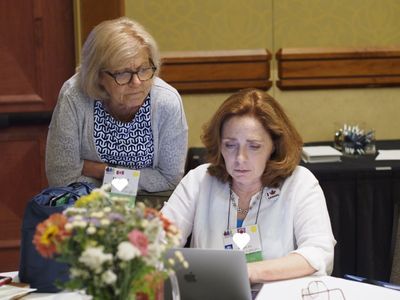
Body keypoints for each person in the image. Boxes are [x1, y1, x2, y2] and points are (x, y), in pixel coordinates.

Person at [161, 88, 336, 283]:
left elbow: (319, 253)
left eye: (254, 146)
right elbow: (157, 241)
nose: (240, 159)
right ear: (219, 144)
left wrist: (248, 272)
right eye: (230, 145)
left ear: (274, 146)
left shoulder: (300, 183)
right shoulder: (199, 180)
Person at [46, 17, 188, 192]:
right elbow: (61, 177)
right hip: (86, 209)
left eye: (144, 69)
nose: (137, 82)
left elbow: (169, 179)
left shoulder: (166, 101)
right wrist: (135, 180)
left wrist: (100, 170)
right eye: (122, 73)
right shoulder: (75, 96)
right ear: (98, 75)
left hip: (149, 209)